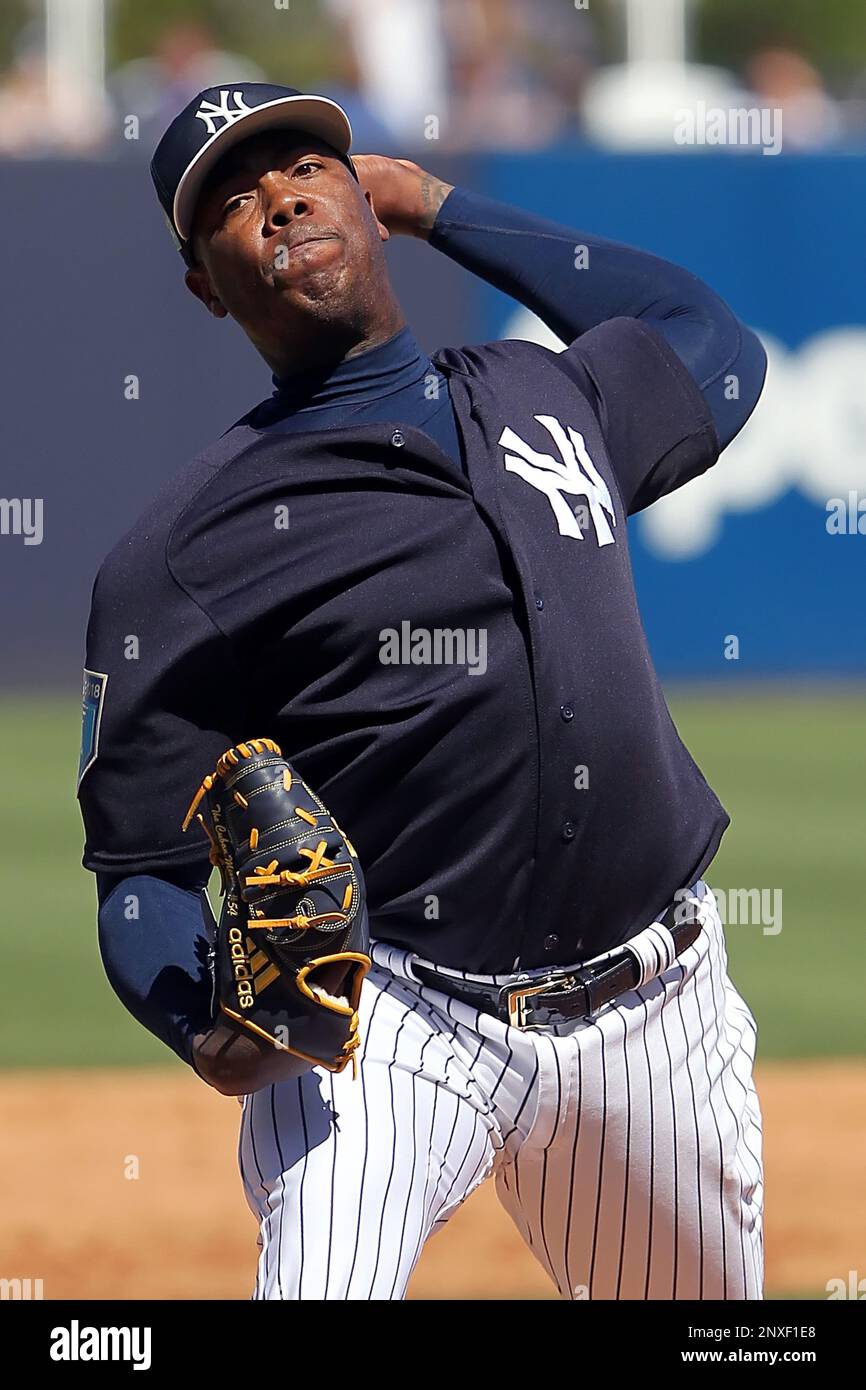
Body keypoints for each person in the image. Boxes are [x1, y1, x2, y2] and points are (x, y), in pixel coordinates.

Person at [78, 82, 767, 1300]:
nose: (279, 199)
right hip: (385, 1021)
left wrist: (437, 204)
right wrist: (207, 1032)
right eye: (233, 203)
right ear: (205, 284)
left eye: (304, 168)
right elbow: (141, 876)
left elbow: (706, 336)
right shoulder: (184, 554)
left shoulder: (549, 393)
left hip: (654, 1007)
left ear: (363, 190)